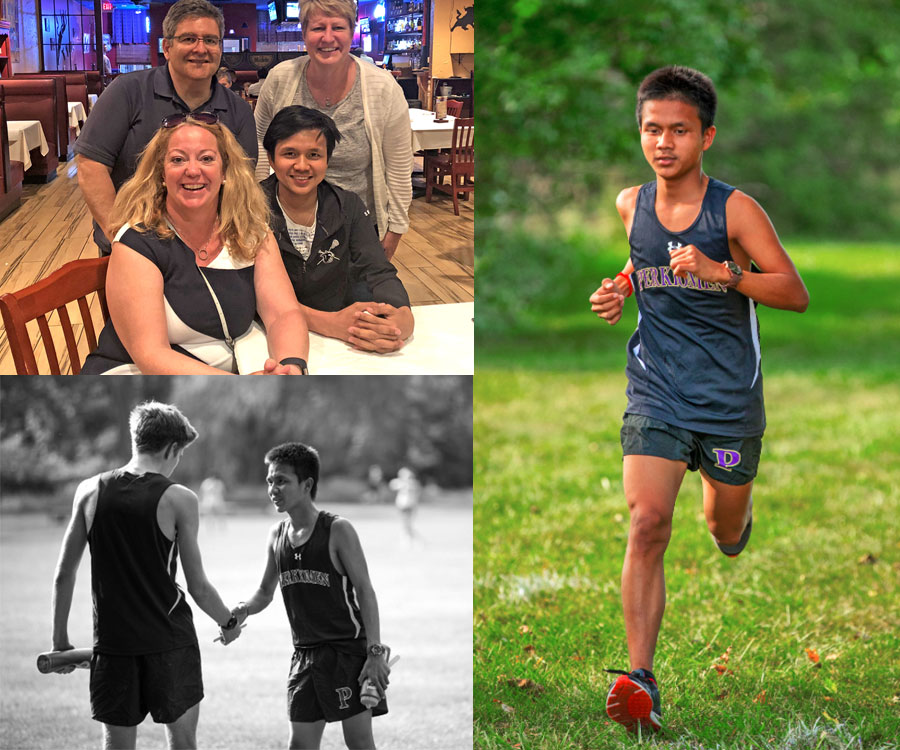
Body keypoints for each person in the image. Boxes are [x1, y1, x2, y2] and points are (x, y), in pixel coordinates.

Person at [589, 66, 809, 734]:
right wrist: (622, 287)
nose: (663, 143)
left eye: (678, 131)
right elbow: (643, 259)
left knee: (720, 526)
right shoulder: (631, 204)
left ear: (705, 136)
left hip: (726, 400)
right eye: (652, 129)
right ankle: (640, 680)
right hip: (655, 386)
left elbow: (793, 291)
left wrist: (724, 272)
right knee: (648, 520)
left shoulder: (734, 210)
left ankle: (734, 528)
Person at [50, 401, 243, 750]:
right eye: (180, 454)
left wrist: (60, 641)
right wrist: (228, 623)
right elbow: (197, 586)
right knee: (182, 743)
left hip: (113, 644)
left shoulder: (89, 491)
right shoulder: (180, 499)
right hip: (170, 643)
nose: (178, 462)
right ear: (171, 448)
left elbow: (64, 574)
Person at [80, 114, 309, 374]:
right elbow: (151, 356)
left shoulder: (250, 230)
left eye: (207, 158)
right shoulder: (136, 244)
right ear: (161, 174)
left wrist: (292, 365)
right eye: (178, 159)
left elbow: (284, 313)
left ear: (225, 171)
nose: (192, 170)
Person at [230, 442, 391, 750]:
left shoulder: (338, 530)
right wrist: (242, 610)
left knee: (358, 743)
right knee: (300, 745)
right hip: (304, 656)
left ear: (307, 485)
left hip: (346, 654)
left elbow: (365, 590)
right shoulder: (276, 536)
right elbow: (265, 592)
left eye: (282, 481)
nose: (273, 489)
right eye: (269, 481)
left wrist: (374, 653)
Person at [75, 0, 256, 256]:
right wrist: (120, 239)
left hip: (210, 251)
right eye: (189, 39)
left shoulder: (238, 110)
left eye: (211, 40)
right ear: (167, 47)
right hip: (131, 247)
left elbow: (241, 183)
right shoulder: (127, 92)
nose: (200, 49)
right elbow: (91, 167)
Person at [253, 0, 412, 264]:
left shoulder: (383, 88)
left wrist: (395, 230)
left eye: (337, 27)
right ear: (304, 34)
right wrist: (259, 207)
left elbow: (398, 166)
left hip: (358, 228)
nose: (328, 38)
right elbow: (259, 143)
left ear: (352, 32)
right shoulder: (281, 79)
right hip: (286, 226)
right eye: (318, 28)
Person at [262, 106, 414, 353]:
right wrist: (327, 323)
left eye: (314, 155)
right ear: (271, 158)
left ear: (327, 160)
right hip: (269, 335)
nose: (302, 166)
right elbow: (247, 293)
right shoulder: (249, 207)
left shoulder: (348, 206)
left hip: (339, 339)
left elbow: (378, 270)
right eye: (289, 154)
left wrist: (402, 317)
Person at [389, 466, 421, 544]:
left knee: (407, 525)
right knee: (405, 525)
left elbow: (415, 490)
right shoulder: (399, 482)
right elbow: (392, 485)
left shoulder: (413, 483)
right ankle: (408, 540)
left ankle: (415, 541)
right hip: (401, 506)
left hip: (409, 506)